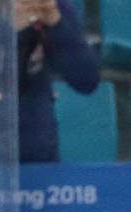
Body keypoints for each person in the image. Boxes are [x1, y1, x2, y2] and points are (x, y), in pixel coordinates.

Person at [12, 0, 100, 163]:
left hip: (37, 153)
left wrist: (56, 23)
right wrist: (15, 35)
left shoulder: (54, 6)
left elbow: (87, 80)